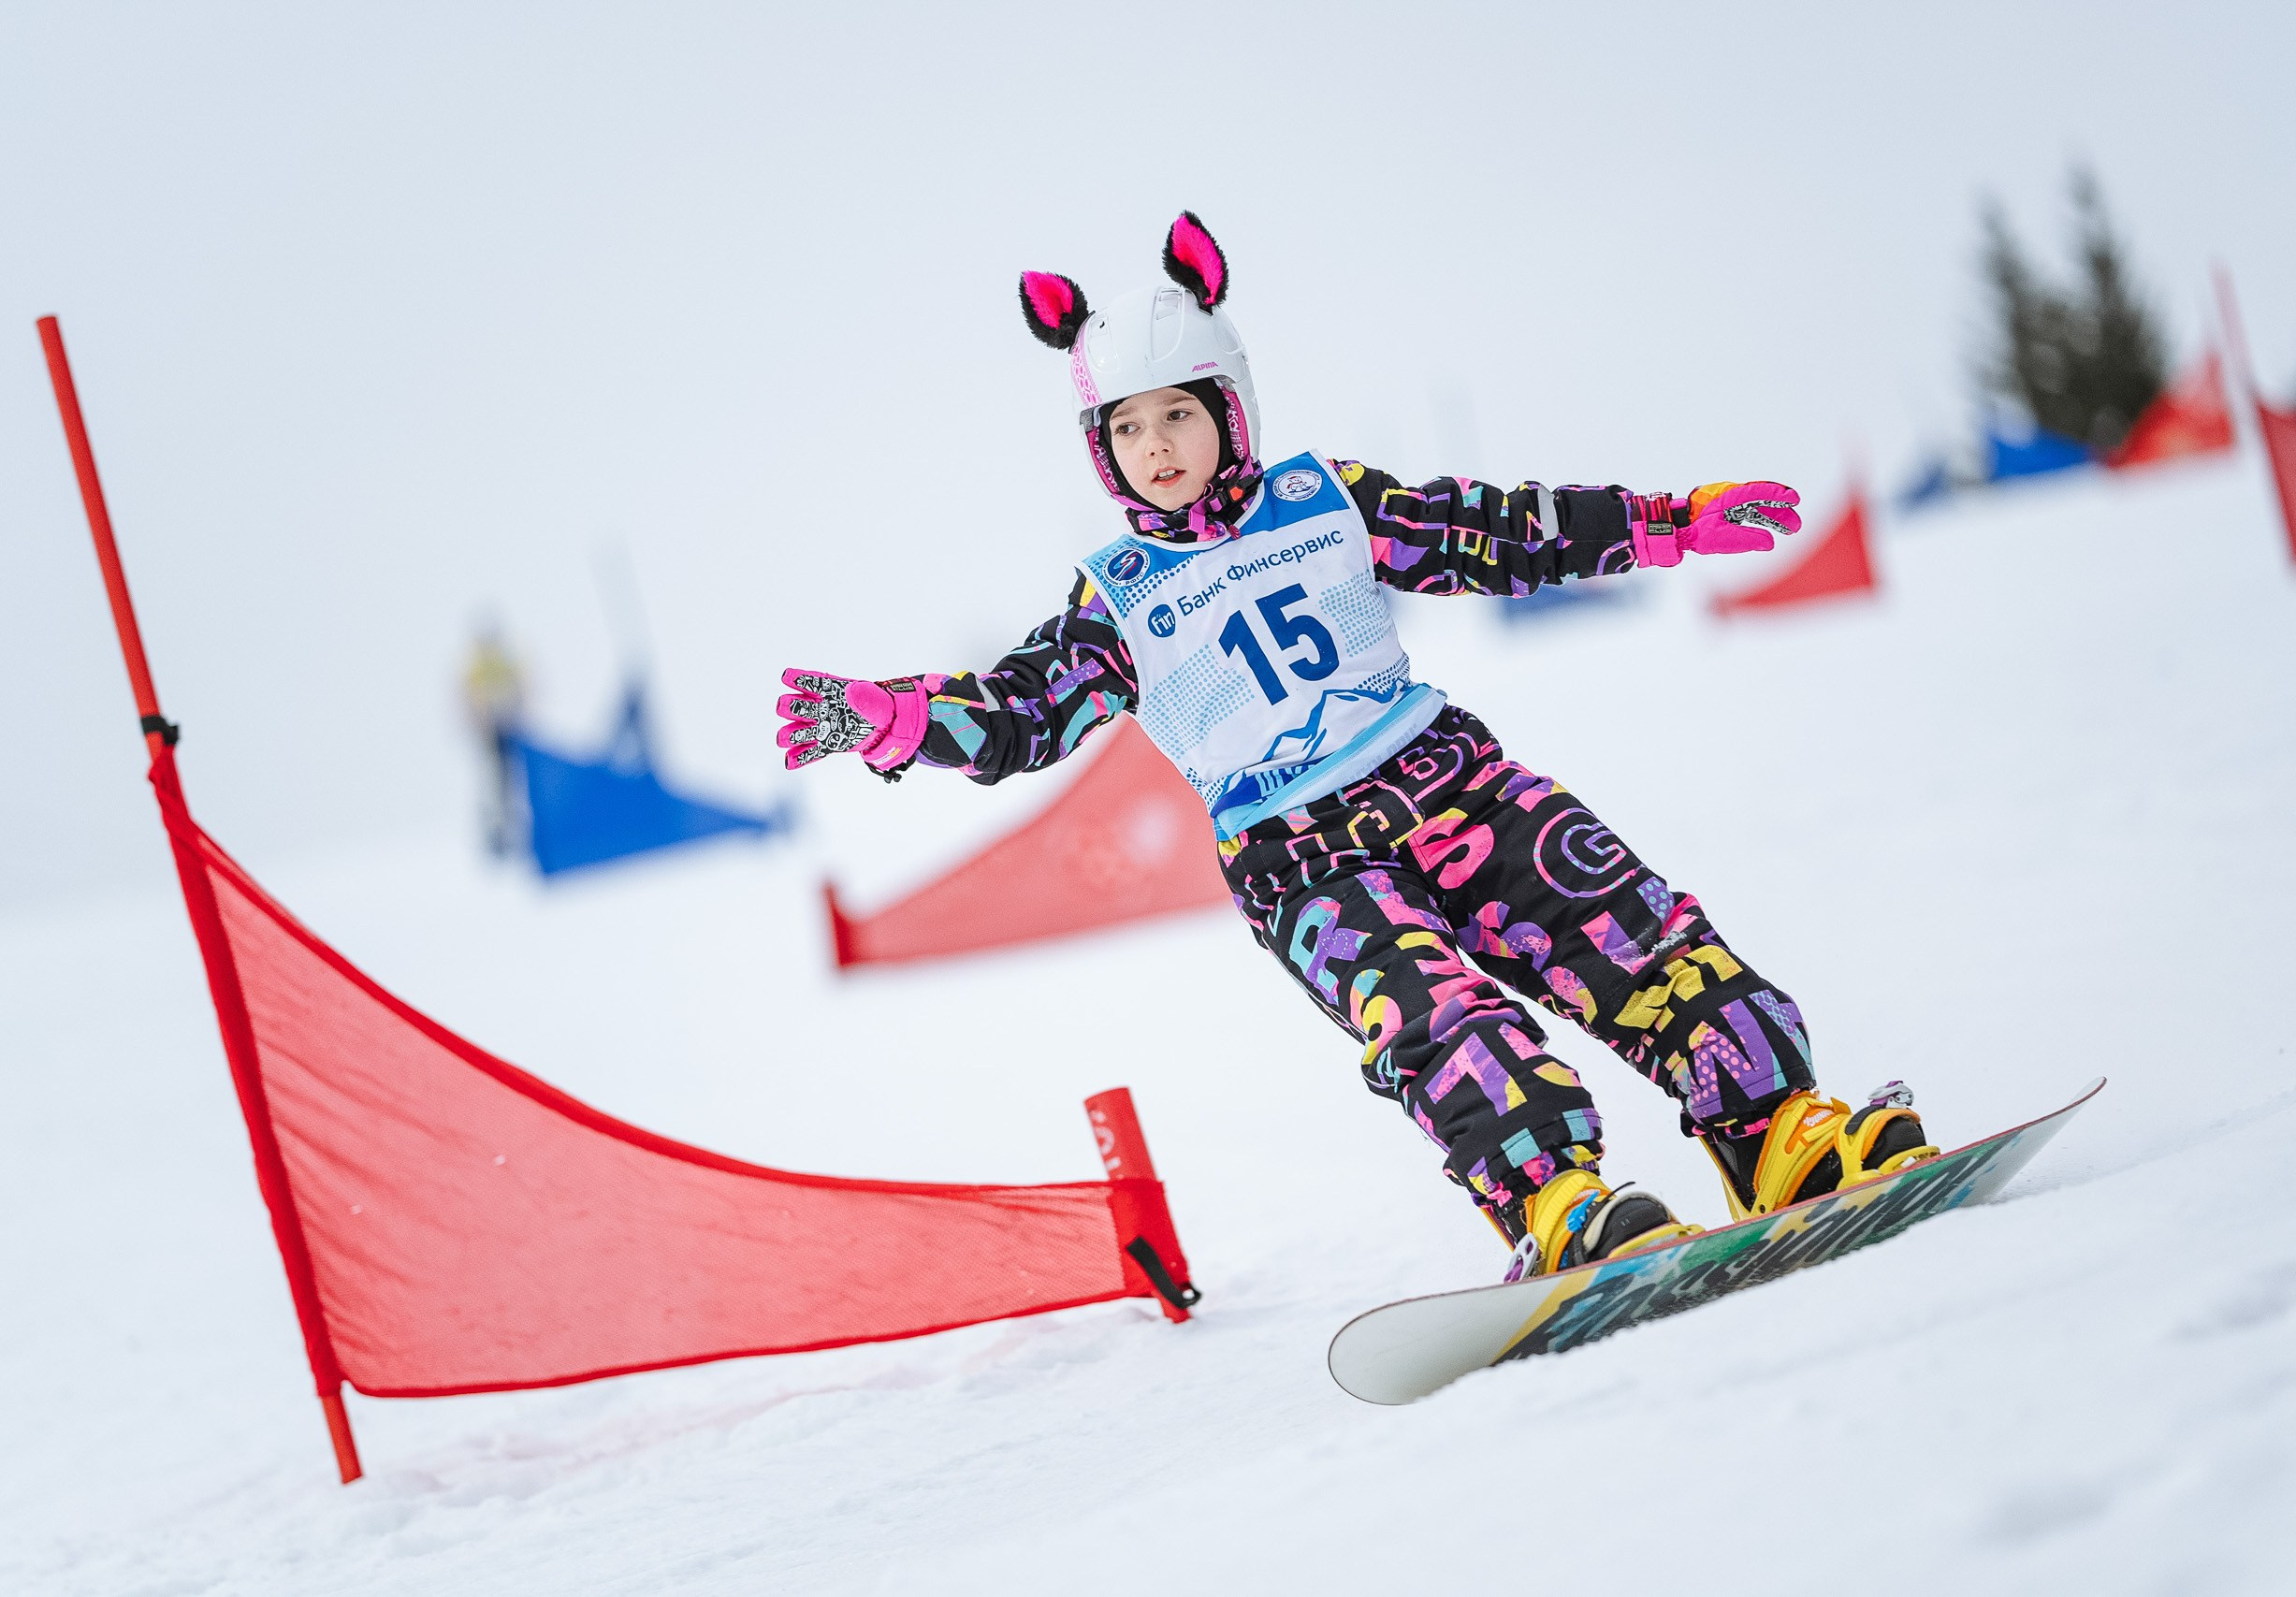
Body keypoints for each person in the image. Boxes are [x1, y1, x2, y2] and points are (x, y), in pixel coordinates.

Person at [775, 213, 1935, 1280]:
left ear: (1231, 408)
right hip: (1301, 860)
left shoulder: (1322, 497)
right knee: (1446, 1030)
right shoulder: (1119, 594)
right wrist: (901, 718)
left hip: (1452, 780)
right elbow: (1027, 709)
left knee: (1632, 934)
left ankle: (1779, 1134)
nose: (1158, 445)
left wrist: (1664, 523)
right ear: (1101, 452)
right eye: (1126, 429)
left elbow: (1491, 533)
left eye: (1180, 411)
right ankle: (1560, 1207)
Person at [462, 620, 526, 857]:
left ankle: (511, 830)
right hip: (490, 734)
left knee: (509, 782)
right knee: (495, 785)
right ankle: (498, 833)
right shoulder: (478, 667)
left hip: (508, 732)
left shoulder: (501, 663)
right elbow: (470, 700)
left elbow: (521, 691)